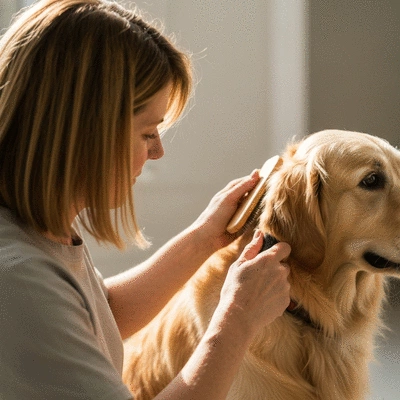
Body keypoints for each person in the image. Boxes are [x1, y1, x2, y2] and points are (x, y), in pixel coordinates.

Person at [0, 1, 291, 399]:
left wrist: (204, 238)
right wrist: (237, 318)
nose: (157, 152)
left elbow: (101, 316)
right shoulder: (20, 279)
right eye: (147, 132)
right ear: (86, 129)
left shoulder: (34, 235)